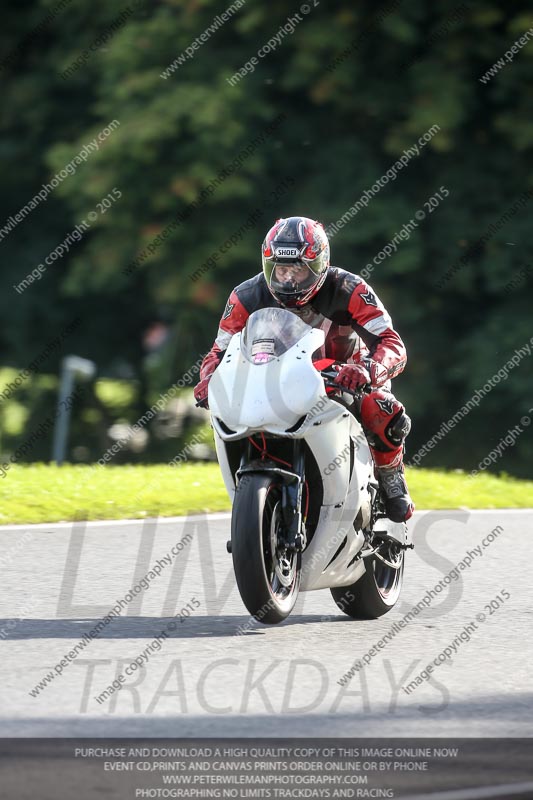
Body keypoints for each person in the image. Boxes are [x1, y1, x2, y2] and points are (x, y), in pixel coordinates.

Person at [193, 216, 414, 523]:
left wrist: (369, 370)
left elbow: (392, 343)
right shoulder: (246, 295)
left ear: (320, 265)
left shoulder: (349, 289)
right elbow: (219, 351)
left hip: (343, 374)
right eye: (280, 269)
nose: (288, 279)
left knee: (383, 409)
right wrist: (208, 380)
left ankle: (390, 474)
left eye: (298, 270)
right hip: (272, 377)